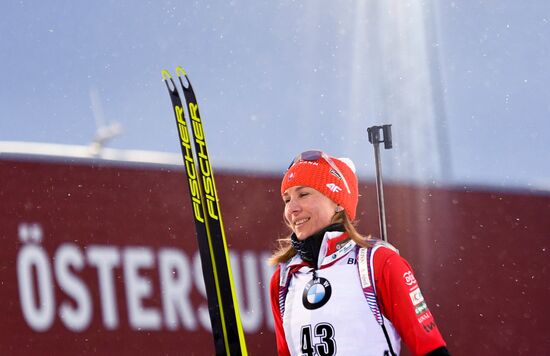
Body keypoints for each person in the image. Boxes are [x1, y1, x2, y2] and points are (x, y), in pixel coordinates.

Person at [269, 150, 449, 356]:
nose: (292, 208)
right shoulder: (284, 280)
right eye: (286, 199)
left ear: (337, 202)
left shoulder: (378, 263)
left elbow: (430, 348)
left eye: (303, 194)